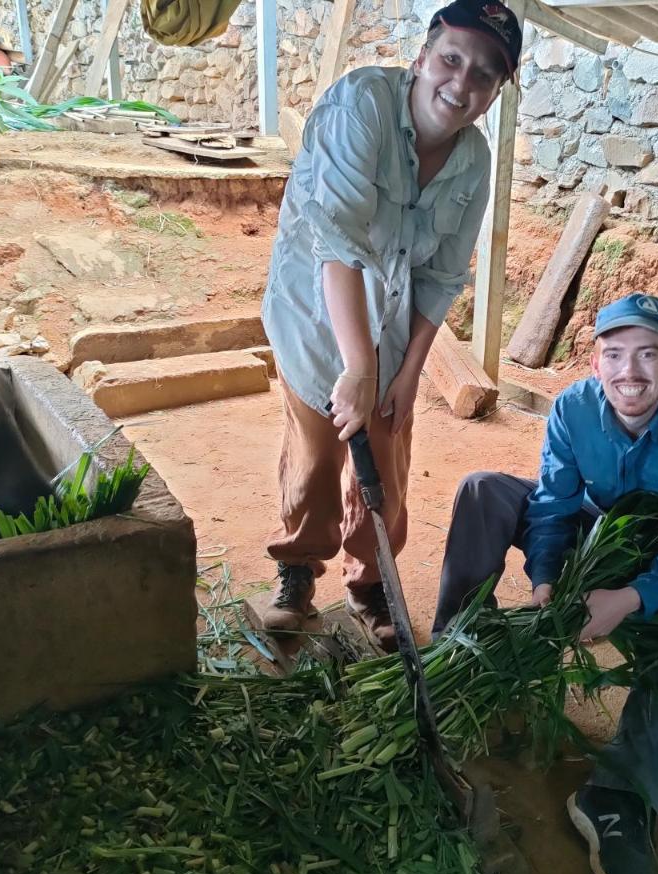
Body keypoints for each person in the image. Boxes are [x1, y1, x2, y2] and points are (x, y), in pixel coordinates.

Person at [432, 293, 658, 874]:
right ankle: (459, 663)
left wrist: (629, 598)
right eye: (616, 355)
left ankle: (618, 795)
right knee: (483, 490)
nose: (631, 372)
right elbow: (552, 501)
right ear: (596, 362)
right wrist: (546, 577)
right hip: (585, 538)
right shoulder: (574, 408)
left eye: (648, 354)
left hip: (654, 560)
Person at [258, 0, 523, 650]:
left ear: (495, 92)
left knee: (388, 462)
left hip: (393, 333)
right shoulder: (363, 106)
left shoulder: (474, 161)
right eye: (453, 59)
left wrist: (404, 375)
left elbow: (442, 277)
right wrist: (358, 366)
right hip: (316, 315)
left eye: (485, 74)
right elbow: (338, 244)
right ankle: (297, 569)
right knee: (319, 450)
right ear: (422, 56)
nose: (462, 83)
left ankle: (369, 582)